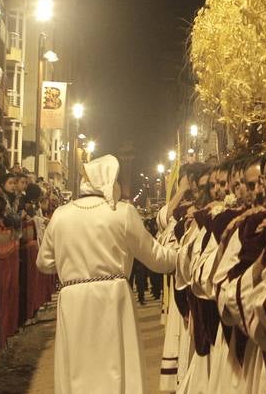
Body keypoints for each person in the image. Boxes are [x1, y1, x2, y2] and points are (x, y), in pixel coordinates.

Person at [37, 154, 178, 394]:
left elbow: (43, 262)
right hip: (112, 299)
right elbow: (155, 257)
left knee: (78, 369)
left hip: (73, 302)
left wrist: (70, 265)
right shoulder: (122, 212)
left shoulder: (61, 214)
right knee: (113, 368)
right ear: (108, 181)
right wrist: (180, 254)